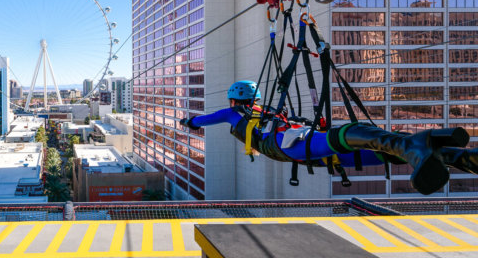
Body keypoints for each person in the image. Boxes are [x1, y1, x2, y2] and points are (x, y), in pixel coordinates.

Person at [180, 80, 477, 195]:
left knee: (358, 144)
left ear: (233, 100)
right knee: (356, 140)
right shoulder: (264, 112)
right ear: (254, 99)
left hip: (292, 148)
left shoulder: (237, 115)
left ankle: (431, 150)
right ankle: (433, 149)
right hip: (298, 146)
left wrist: (189, 122)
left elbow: (205, 119)